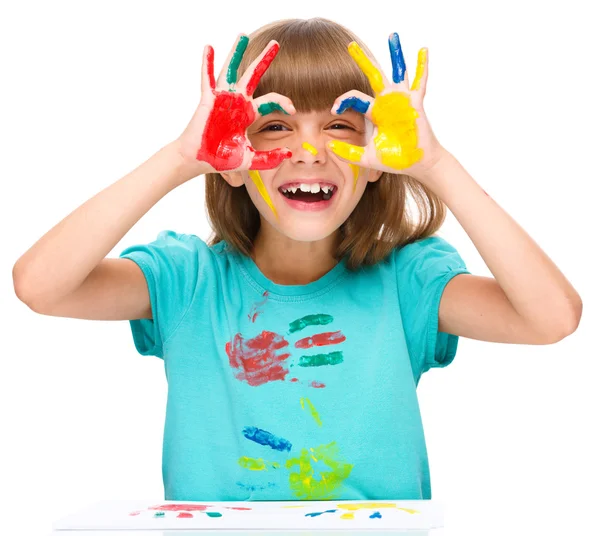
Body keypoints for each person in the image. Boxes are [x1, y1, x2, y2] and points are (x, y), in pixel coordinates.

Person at [12, 18, 582, 502]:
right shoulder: (187, 282)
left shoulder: (406, 281)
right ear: (232, 161)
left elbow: (551, 318)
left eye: (339, 127)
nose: (310, 150)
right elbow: (41, 285)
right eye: (276, 127)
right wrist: (182, 158)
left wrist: (434, 165)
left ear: (377, 158)